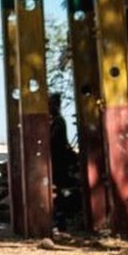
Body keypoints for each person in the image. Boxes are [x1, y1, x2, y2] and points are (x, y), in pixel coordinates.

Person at [49, 93, 79, 228]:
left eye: (51, 104)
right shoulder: (56, 121)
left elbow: (54, 141)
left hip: (59, 163)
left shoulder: (58, 122)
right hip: (58, 162)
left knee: (60, 192)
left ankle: (60, 220)